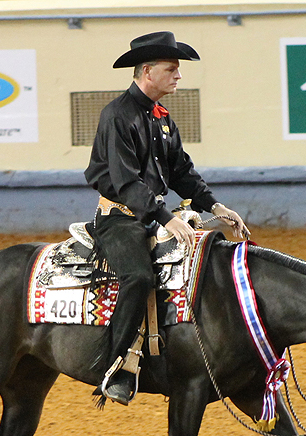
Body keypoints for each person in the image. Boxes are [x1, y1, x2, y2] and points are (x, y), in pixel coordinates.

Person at [85, 31, 250, 406]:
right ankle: (115, 367)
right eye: (171, 69)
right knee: (138, 276)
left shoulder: (161, 118)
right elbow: (126, 181)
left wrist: (215, 206)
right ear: (147, 71)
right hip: (119, 219)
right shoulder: (117, 116)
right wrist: (163, 217)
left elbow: (182, 172)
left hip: (151, 215)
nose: (178, 76)